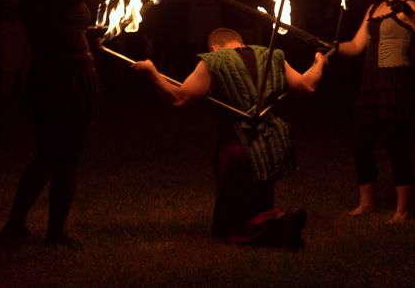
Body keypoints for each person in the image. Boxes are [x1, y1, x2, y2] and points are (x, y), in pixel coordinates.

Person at [0, 0, 173, 246]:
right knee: (67, 156)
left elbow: (57, 28)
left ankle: (15, 223)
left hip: (46, 79)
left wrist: (86, 33)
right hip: (71, 81)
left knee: (47, 154)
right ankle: (54, 233)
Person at [132, 27, 327, 248]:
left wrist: (152, 72)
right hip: (272, 146)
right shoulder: (272, 54)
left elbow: (179, 98)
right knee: (257, 207)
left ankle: (279, 222)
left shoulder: (213, 60)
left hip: (237, 149)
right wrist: (319, 62)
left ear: (214, 48)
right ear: (241, 43)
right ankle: (278, 223)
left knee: (229, 228)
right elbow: (307, 85)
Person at [337, 0, 415, 224]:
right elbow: (355, 46)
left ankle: (402, 209)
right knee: (360, 142)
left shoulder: (411, 5)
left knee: (394, 144)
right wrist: (330, 47)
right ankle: (366, 203)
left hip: (394, 81)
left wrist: (408, 13)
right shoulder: (373, 9)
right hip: (370, 83)